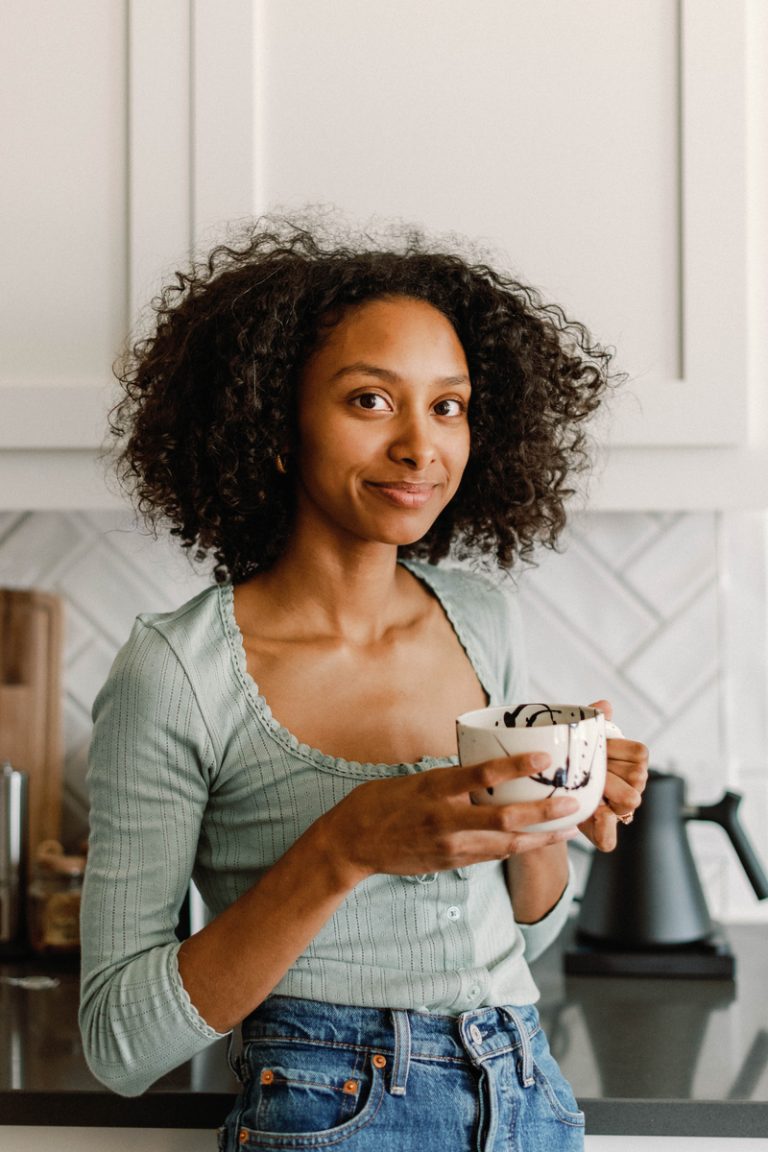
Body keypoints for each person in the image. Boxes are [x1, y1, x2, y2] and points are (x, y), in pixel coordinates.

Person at [79, 217, 648, 1151]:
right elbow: (119, 1042)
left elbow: (523, 942)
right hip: (334, 1111)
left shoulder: (482, 617)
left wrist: (552, 808)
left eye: (449, 406)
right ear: (274, 421)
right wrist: (343, 848)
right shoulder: (178, 671)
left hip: (527, 1093)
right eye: (372, 401)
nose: (422, 447)